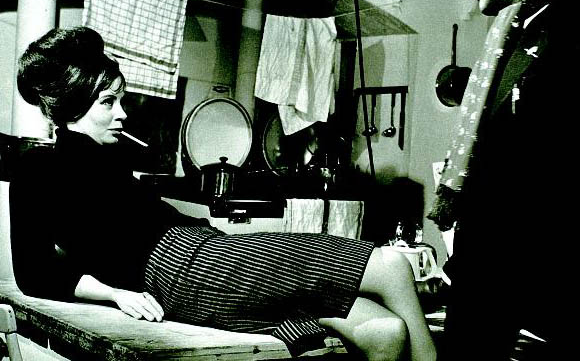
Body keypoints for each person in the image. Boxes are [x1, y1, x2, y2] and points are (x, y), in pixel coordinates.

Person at [10, 26, 436, 361]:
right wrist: (116, 294)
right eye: (109, 102)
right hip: (185, 270)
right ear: (71, 106)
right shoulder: (37, 168)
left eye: (120, 99)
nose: (122, 112)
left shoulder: (108, 158)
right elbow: (34, 274)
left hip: (205, 257)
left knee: (384, 332)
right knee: (392, 266)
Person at [427, 0, 580, 359]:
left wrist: (548, 320)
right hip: (491, 302)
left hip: (533, 319)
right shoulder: (511, 35)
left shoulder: (578, 32)